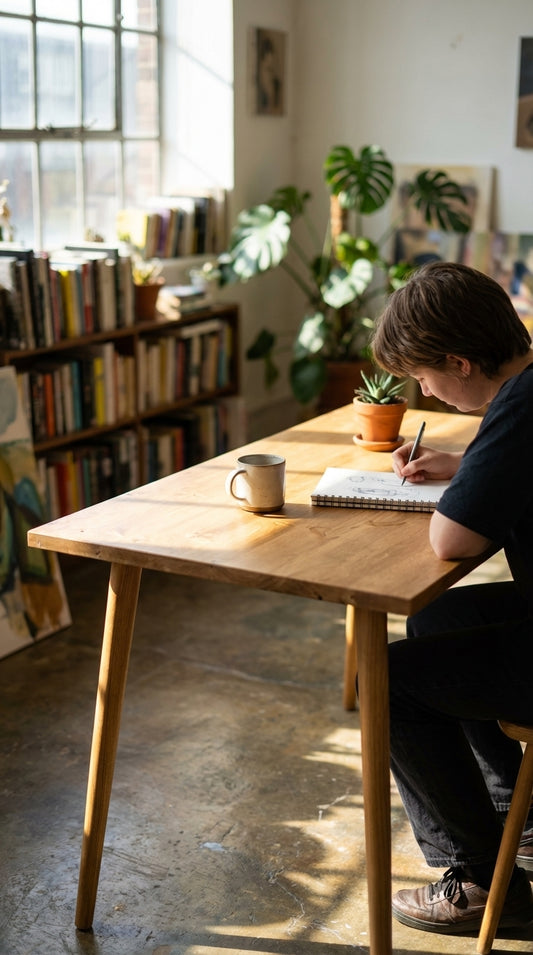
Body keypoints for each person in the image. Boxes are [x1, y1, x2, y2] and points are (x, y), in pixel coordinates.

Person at [370, 260, 533, 935]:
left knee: (383, 677)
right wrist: (468, 465)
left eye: (423, 376)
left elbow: (450, 540)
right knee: (435, 618)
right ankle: (512, 817)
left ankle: (476, 877)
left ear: (460, 362)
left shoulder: (519, 408)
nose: (423, 393)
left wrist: (462, 489)